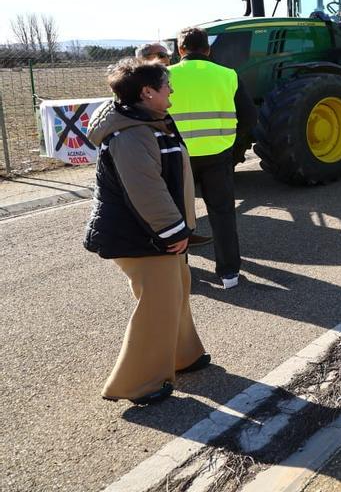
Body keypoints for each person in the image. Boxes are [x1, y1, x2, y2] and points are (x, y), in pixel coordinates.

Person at [84, 59, 208, 405]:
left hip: (153, 231)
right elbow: (146, 190)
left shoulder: (150, 122)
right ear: (146, 92)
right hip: (141, 235)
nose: (172, 89)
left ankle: (183, 355)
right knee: (157, 305)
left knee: (176, 291)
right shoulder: (131, 134)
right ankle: (138, 383)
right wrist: (172, 231)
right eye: (166, 84)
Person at [169, 27, 256, 287]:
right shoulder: (229, 75)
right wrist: (233, 146)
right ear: (208, 49)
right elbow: (250, 117)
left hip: (177, 157)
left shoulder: (165, 76)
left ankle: (178, 273)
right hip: (218, 154)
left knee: (176, 216)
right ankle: (229, 274)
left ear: (180, 49)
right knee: (222, 214)